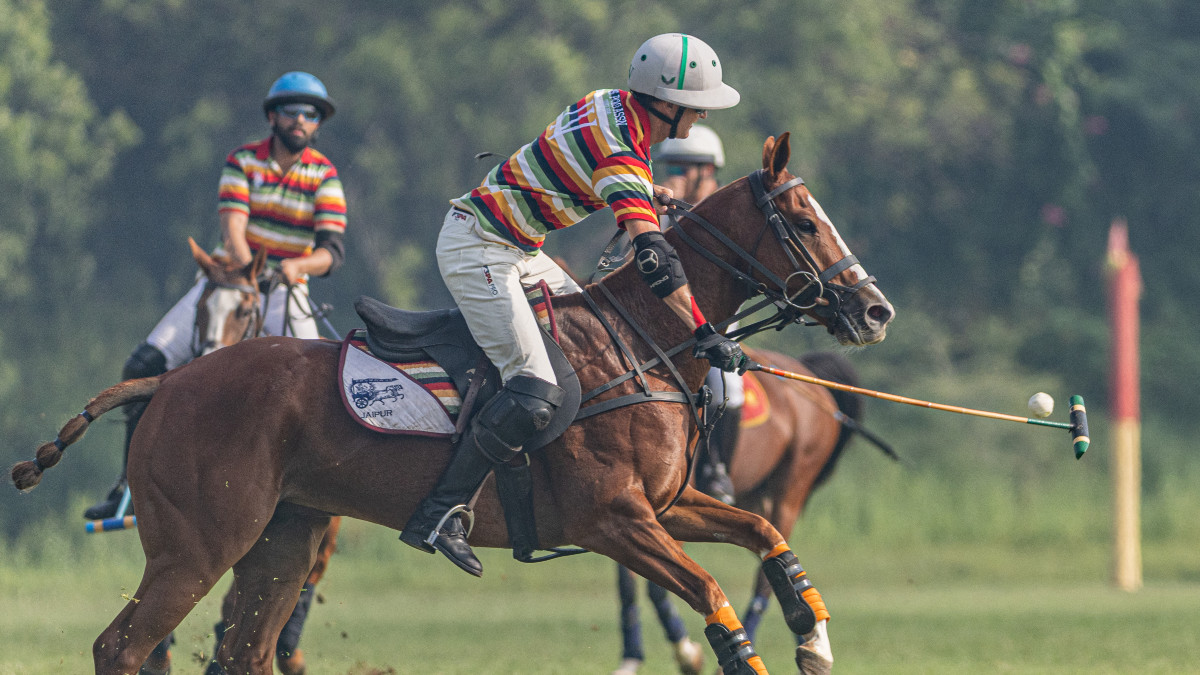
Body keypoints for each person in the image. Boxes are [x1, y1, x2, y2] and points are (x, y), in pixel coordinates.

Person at [399, 33, 747, 577]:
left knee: (598, 345)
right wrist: (704, 329)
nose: (702, 114)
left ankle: (588, 483)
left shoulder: (608, 102)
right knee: (536, 386)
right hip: (480, 249)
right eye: (696, 106)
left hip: (517, 247)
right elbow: (653, 257)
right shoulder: (624, 157)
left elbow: (585, 160)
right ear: (667, 103)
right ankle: (440, 512)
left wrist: (647, 190)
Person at [84, 71, 348, 520]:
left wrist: (295, 267)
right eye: (292, 111)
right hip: (230, 282)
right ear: (272, 116)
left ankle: (323, 494)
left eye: (311, 114)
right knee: (144, 364)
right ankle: (127, 485)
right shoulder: (243, 160)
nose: (301, 120)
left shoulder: (324, 174)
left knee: (323, 388)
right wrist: (249, 274)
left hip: (286, 289)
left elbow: (331, 251)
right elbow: (233, 227)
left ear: (317, 124)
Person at [653, 124, 742, 506]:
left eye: (681, 168)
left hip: (712, 322)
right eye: (670, 167)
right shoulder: (657, 212)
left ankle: (718, 467)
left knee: (727, 385)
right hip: (657, 323)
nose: (672, 177)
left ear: (707, 171)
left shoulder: (728, 219)